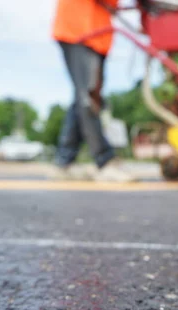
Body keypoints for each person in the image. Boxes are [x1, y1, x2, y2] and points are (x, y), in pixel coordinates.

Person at [49, 0, 136, 182]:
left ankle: (64, 162)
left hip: (93, 33)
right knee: (88, 98)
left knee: (82, 98)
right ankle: (104, 162)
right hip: (80, 30)